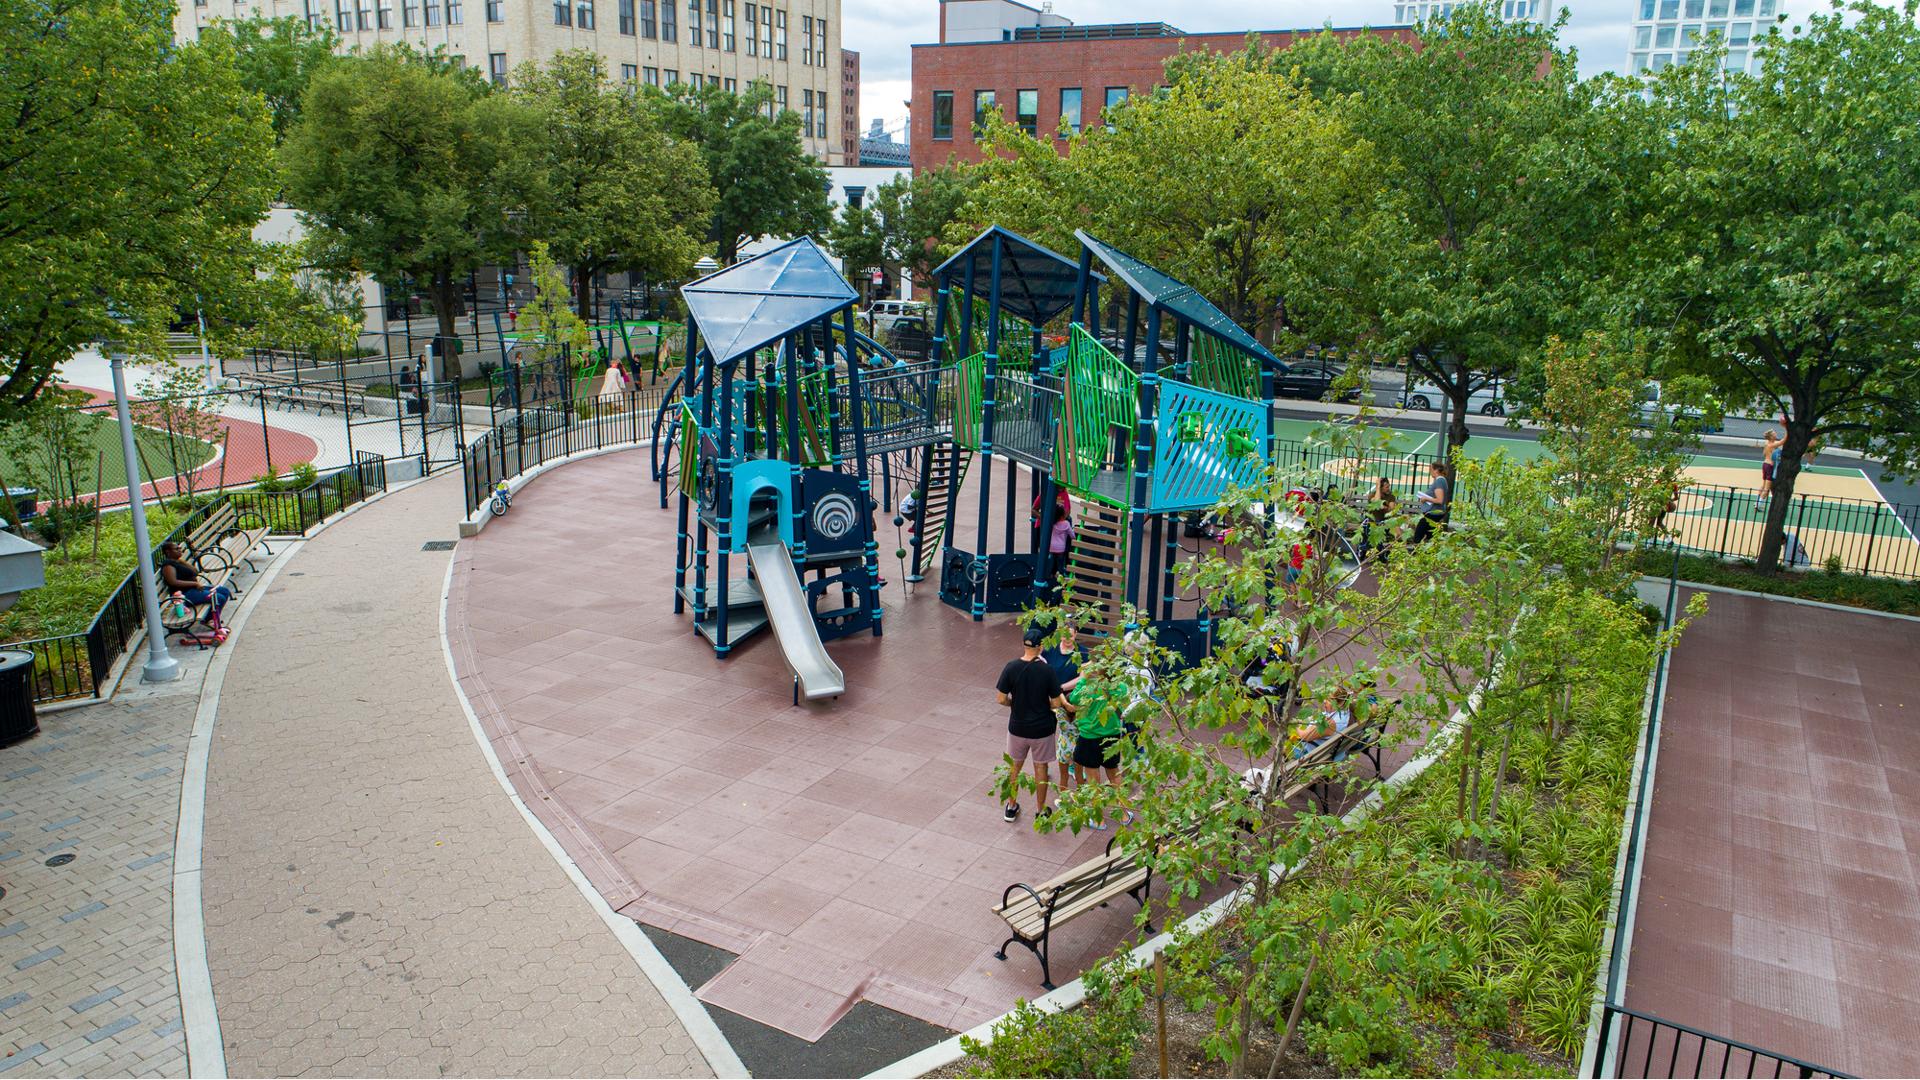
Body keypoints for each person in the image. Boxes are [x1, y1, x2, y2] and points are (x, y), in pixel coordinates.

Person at [995, 624, 1068, 822]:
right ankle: (1040, 810)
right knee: (1041, 768)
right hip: (1042, 729)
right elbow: (1056, 703)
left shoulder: (1011, 667)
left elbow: (1001, 699)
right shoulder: (1047, 671)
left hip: (1017, 727)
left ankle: (1011, 807)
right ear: (1041, 647)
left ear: (1024, 645)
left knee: (1014, 768)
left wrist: (1014, 704)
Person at [1068, 679, 1131, 829]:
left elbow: (1074, 699)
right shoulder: (1119, 685)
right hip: (1112, 734)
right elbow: (1125, 704)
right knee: (1114, 773)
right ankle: (1123, 814)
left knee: (1093, 778)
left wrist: (1083, 678)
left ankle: (1098, 820)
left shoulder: (1085, 685)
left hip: (1089, 736)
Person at [158, 543, 232, 627]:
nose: (180, 550)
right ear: (168, 552)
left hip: (193, 590)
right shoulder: (168, 565)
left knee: (224, 591)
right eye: (176, 549)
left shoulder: (177, 562)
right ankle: (210, 620)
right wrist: (195, 583)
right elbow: (173, 582)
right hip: (183, 595)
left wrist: (181, 561)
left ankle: (210, 618)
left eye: (180, 548)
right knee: (219, 598)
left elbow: (195, 572)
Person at [1291, 687, 1354, 757]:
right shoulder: (1344, 712)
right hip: (1324, 748)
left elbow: (1305, 736)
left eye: (1329, 699)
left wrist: (1296, 724)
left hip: (1309, 753)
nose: (1324, 701)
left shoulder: (1331, 723)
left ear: (1340, 704)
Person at [1412, 460, 1451, 544]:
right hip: (1434, 512)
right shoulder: (1441, 480)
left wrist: (1426, 498)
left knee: (1418, 534)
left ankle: (1417, 549)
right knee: (1430, 535)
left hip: (1433, 513)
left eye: (1431, 469)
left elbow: (1439, 500)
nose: (1430, 472)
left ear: (1436, 470)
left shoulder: (1439, 481)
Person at [1757, 429, 1785, 509]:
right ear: (1771, 437)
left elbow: (1764, 453)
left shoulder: (1767, 444)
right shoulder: (1772, 445)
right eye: (1774, 434)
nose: (1776, 434)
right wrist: (1787, 430)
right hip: (1770, 466)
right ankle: (1758, 504)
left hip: (1765, 464)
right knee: (1767, 488)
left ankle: (1757, 501)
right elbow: (1783, 441)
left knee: (1763, 485)